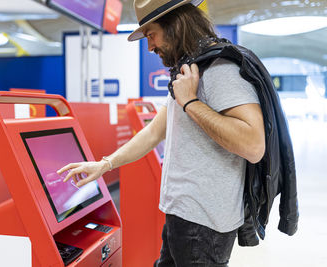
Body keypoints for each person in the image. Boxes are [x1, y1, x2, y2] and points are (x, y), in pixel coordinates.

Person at [57, 0, 265, 266]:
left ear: (175, 26)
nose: (150, 46)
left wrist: (191, 103)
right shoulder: (191, 72)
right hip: (183, 216)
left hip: (204, 225)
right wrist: (105, 164)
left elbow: (254, 145)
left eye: (151, 35)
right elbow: (154, 131)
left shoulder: (220, 69)